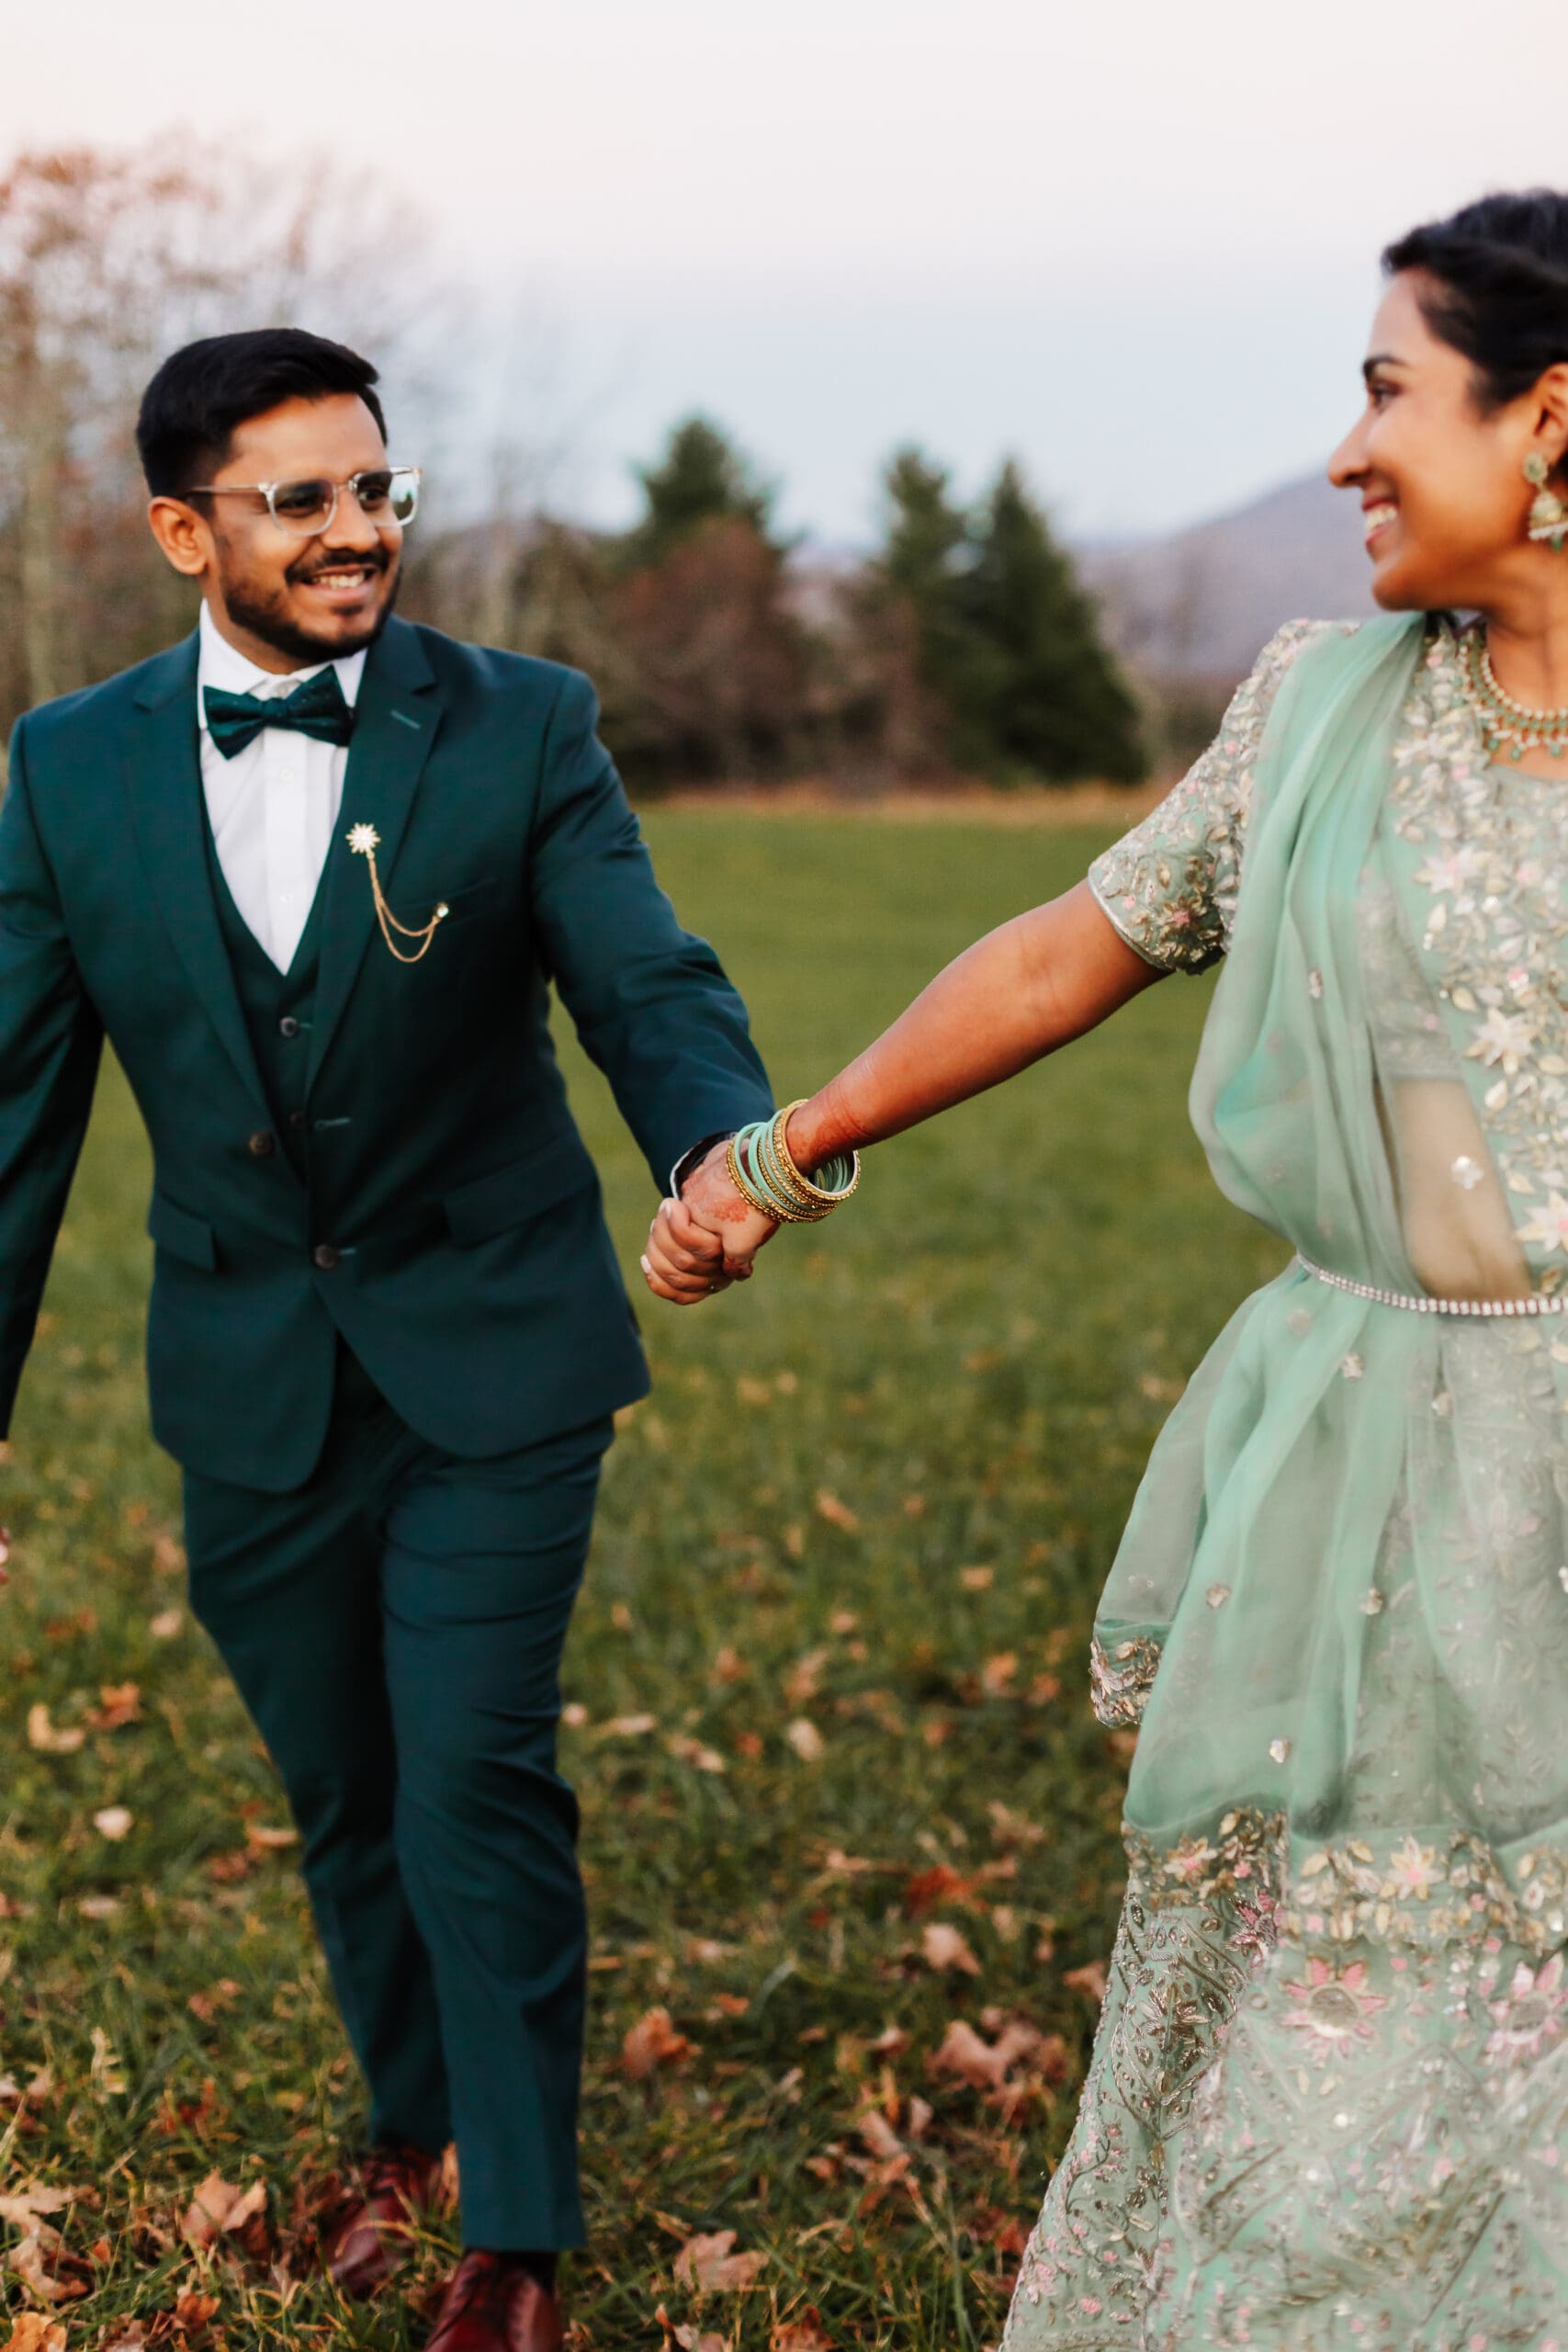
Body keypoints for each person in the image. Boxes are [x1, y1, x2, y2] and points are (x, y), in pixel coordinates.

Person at [645, 189, 1568, 2343]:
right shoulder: (1314, 706)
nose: (1343, 452)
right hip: (1366, 1458)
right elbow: (1078, 944)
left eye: (1381, 393)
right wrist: (790, 1149)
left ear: (1548, 418)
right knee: (1325, 1964)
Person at [0, 328, 773, 2352]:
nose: (359, 533)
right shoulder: (64, 766)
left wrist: (716, 1145)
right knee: (343, 1786)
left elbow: (642, 973)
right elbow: (15, 1120)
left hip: (498, 1350)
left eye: (378, 489)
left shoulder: (519, 725)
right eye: (303, 499)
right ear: (184, 529)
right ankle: (411, 2122)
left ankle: (509, 2234)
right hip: (247, 1376)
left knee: (469, 1772)